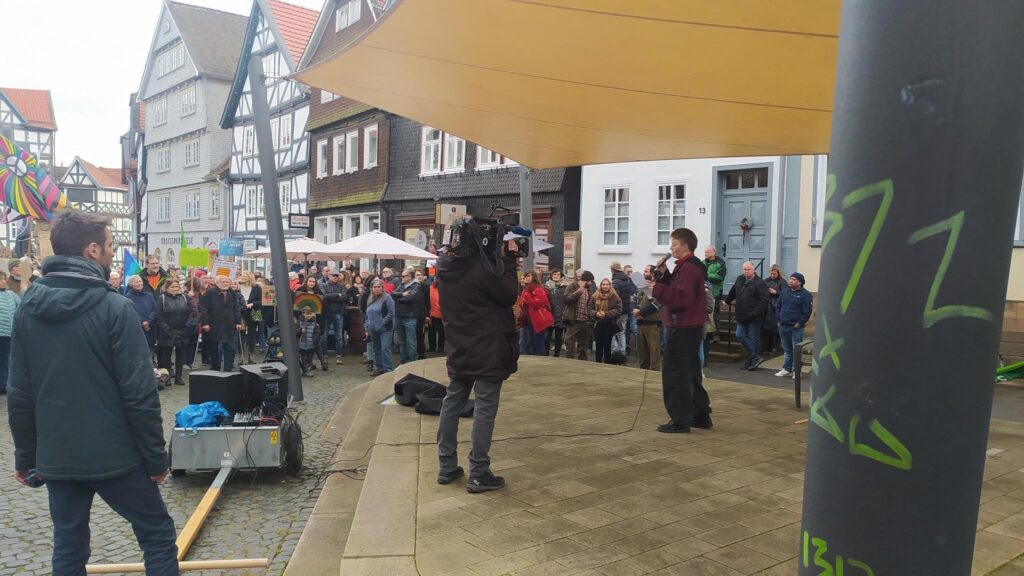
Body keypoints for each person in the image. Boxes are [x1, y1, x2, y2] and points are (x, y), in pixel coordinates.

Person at [8, 210, 178, 575]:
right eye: (110, 246)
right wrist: (155, 460)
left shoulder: (28, 309)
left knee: (68, 547)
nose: (113, 253)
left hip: (58, 455)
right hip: (115, 455)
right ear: (91, 250)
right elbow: (140, 393)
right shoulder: (115, 307)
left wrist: (27, 458)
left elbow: (20, 394)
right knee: (157, 535)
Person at [435, 227, 519, 494]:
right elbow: (508, 294)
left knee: (452, 402)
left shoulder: (445, 268)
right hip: (488, 348)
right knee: (484, 407)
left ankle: (446, 466)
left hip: (459, 345)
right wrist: (507, 261)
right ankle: (479, 472)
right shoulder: (485, 269)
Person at [653, 227, 712, 433]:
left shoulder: (689, 268)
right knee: (691, 371)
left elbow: (680, 298)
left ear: (685, 245)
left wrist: (657, 287)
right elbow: (679, 288)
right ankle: (700, 415)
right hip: (690, 326)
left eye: (674, 244)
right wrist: (664, 275)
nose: (671, 248)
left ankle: (680, 419)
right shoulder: (689, 267)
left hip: (683, 326)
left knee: (675, 373)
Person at [724, 261, 770, 370]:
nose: (746, 271)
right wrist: (727, 301)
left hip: (754, 316)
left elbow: (764, 300)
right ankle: (755, 357)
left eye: (748, 269)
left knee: (753, 338)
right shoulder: (740, 279)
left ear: (754, 270)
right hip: (741, 314)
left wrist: (755, 312)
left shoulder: (760, 283)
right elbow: (734, 290)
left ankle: (751, 361)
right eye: (744, 269)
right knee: (740, 335)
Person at [155, 278, 198, 386]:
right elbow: (158, 315)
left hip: (183, 330)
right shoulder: (162, 298)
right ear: (167, 287)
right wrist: (166, 328)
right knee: (166, 355)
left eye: (177, 287)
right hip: (167, 331)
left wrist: (188, 326)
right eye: (172, 287)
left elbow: (192, 312)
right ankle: (167, 377)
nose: (175, 289)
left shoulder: (185, 297)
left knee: (181, 354)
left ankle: (178, 377)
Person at [200, 275, 243, 372]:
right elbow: (203, 308)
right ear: (217, 283)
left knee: (231, 348)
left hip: (229, 325)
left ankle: (228, 369)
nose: (225, 283)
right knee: (215, 349)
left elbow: (236, 308)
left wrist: (238, 322)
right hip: (214, 324)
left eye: (227, 281)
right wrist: (205, 323)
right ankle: (215, 369)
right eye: (223, 282)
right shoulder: (210, 292)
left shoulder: (232, 292)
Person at [775, 272, 814, 378]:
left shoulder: (806, 295)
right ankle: (787, 369)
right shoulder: (784, 291)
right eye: (790, 279)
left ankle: (796, 370)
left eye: (794, 280)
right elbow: (778, 305)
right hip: (783, 325)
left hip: (795, 327)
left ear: (800, 282)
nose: (791, 281)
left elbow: (807, 311)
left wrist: (800, 323)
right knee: (787, 349)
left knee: (796, 349)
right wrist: (778, 319)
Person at [294, 276, 327, 371]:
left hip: (314, 319)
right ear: (306, 281)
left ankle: (319, 361)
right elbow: (295, 304)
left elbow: (322, 305)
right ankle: (307, 362)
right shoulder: (300, 290)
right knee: (304, 341)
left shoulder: (318, 292)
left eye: (313, 281)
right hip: (302, 319)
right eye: (310, 281)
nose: (311, 283)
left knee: (315, 340)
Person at [517, 269, 553, 356]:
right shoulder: (526, 289)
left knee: (538, 343)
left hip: (538, 320)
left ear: (534, 277)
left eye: (529, 276)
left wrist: (526, 296)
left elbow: (535, 304)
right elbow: (521, 304)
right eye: (526, 276)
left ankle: (541, 362)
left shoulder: (538, 289)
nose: (527, 278)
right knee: (530, 343)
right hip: (528, 320)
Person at [632, 265, 662, 370]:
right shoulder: (641, 286)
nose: (644, 273)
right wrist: (635, 311)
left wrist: (640, 312)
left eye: (646, 271)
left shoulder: (657, 287)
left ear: (653, 274)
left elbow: (657, 305)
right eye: (643, 271)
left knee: (654, 354)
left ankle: (654, 376)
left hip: (652, 324)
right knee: (642, 354)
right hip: (640, 323)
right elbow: (634, 300)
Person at [365, 278, 395, 376]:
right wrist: (367, 326)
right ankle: (379, 368)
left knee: (385, 348)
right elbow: (367, 314)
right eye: (375, 287)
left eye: (379, 287)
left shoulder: (387, 298)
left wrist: (382, 322)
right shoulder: (370, 298)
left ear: (382, 288)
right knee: (376, 349)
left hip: (385, 328)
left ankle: (388, 369)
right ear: (372, 288)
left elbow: (391, 313)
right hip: (372, 328)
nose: (377, 289)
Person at [563, 270, 595, 360]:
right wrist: (578, 291)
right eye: (590, 281)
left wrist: (590, 318)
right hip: (574, 320)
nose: (591, 283)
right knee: (569, 341)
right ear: (586, 280)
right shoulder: (572, 286)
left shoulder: (589, 289)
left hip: (585, 321)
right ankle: (570, 360)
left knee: (584, 344)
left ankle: (583, 362)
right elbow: (566, 300)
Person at [393, 267, 423, 365]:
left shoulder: (417, 285)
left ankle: (412, 363)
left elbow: (410, 298)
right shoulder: (401, 285)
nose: (403, 278)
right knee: (401, 341)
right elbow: (392, 295)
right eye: (402, 276)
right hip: (399, 316)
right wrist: (402, 294)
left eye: (405, 276)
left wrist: (398, 297)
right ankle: (403, 362)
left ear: (410, 276)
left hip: (410, 317)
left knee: (411, 342)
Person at [591, 278, 623, 363]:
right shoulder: (595, 296)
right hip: (598, 323)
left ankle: (607, 363)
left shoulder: (615, 297)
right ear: (600, 286)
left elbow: (619, 310)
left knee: (607, 345)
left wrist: (606, 313)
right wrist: (596, 313)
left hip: (609, 324)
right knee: (598, 346)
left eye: (607, 284)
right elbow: (589, 309)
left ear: (610, 286)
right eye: (603, 284)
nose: (605, 286)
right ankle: (597, 362)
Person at [125, 275, 157, 360]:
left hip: (150, 327)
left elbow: (155, 309)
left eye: (140, 281)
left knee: (151, 350)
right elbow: (131, 312)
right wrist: (142, 322)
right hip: (137, 328)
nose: (139, 283)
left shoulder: (149, 295)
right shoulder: (127, 297)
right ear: (131, 285)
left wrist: (148, 321)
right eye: (136, 282)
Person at [320, 268, 348, 364]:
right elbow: (323, 297)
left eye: (337, 276)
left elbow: (344, 298)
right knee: (324, 335)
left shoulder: (341, 286)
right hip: (326, 313)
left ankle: (339, 354)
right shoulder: (323, 285)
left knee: (339, 336)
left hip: (338, 312)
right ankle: (324, 354)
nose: (335, 277)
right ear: (329, 276)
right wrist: (337, 295)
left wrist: (331, 296)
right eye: (333, 276)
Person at [0, 269, 20, 395]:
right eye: (0, 279)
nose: (2, 281)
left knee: (5, 360)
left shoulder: (12, 295)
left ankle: (4, 384)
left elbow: (21, 308)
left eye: (3, 279)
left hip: (8, 334)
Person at [544, 269, 571, 356]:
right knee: (546, 337)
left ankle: (556, 356)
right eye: (554, 274)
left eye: (558, 274)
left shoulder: (565, 287)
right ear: (551, 276)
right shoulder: (546, 286)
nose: (556, 276)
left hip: (560, 315)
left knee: (559, 338)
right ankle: (546, 355)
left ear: (561, 276)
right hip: (549, 315)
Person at [610, 262, 635, 355]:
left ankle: (615, 350)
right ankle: (622, 351)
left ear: (613, 270)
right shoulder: (626, 281)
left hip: (617, 311)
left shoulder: (615, 282)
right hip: (625, 310)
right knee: (622, 331)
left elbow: (614, 298)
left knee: (612, 330)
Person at [238, 271, 263, 364]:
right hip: (241, 312)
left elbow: (262, 301)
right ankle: (240, 356)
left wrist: (253, 303)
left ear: (250, 277)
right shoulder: (238, 287)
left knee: (252, 335)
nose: (243, 277)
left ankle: (251, 355)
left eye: (245, 276)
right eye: (242, 275)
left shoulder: (257, 288)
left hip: (254, 311)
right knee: (241, 334)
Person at [763, 264, 784, 354]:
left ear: (778, 273)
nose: (772, 275)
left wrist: (776, 292)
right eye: (771, 273)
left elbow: (785, 293)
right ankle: (768, 347)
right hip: (767, 306)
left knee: (776, 328)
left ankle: (776, 346)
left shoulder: (782, 282)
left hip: (777, 307)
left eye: (774, 273)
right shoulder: (766, 281)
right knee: (768, 328)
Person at [296, 308, 322, 377]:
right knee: (303, 357)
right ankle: (306, 371)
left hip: (311, 345)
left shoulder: (315, 323)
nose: (308, 315)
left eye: (310, 314)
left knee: (309, 358)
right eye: (306, 314)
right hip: (302, 344)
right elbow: (295, 332)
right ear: (302, 313)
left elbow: (317, 332)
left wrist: (314, 340)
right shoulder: (299, 322)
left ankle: (308, 367)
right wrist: (300, 331)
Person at [427, 277, 445, 353]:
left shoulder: (444, 289)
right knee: (431, 332)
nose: (436, 281)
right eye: (435, 279)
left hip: (441, 315)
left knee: (441, 332)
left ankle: (441, 348)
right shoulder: (430, 288)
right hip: (431, 314)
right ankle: (432, 347)